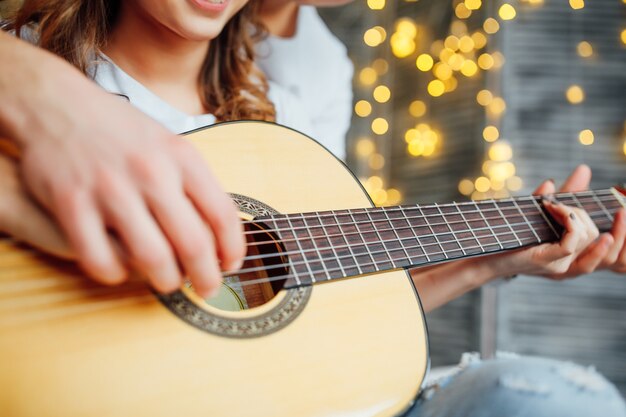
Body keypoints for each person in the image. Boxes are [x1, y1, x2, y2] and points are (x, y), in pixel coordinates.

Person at [0, 1, 625, 415]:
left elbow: (329, 312)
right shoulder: (27, 67)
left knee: (558, 401)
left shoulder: (284, 124)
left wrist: (494, 259)